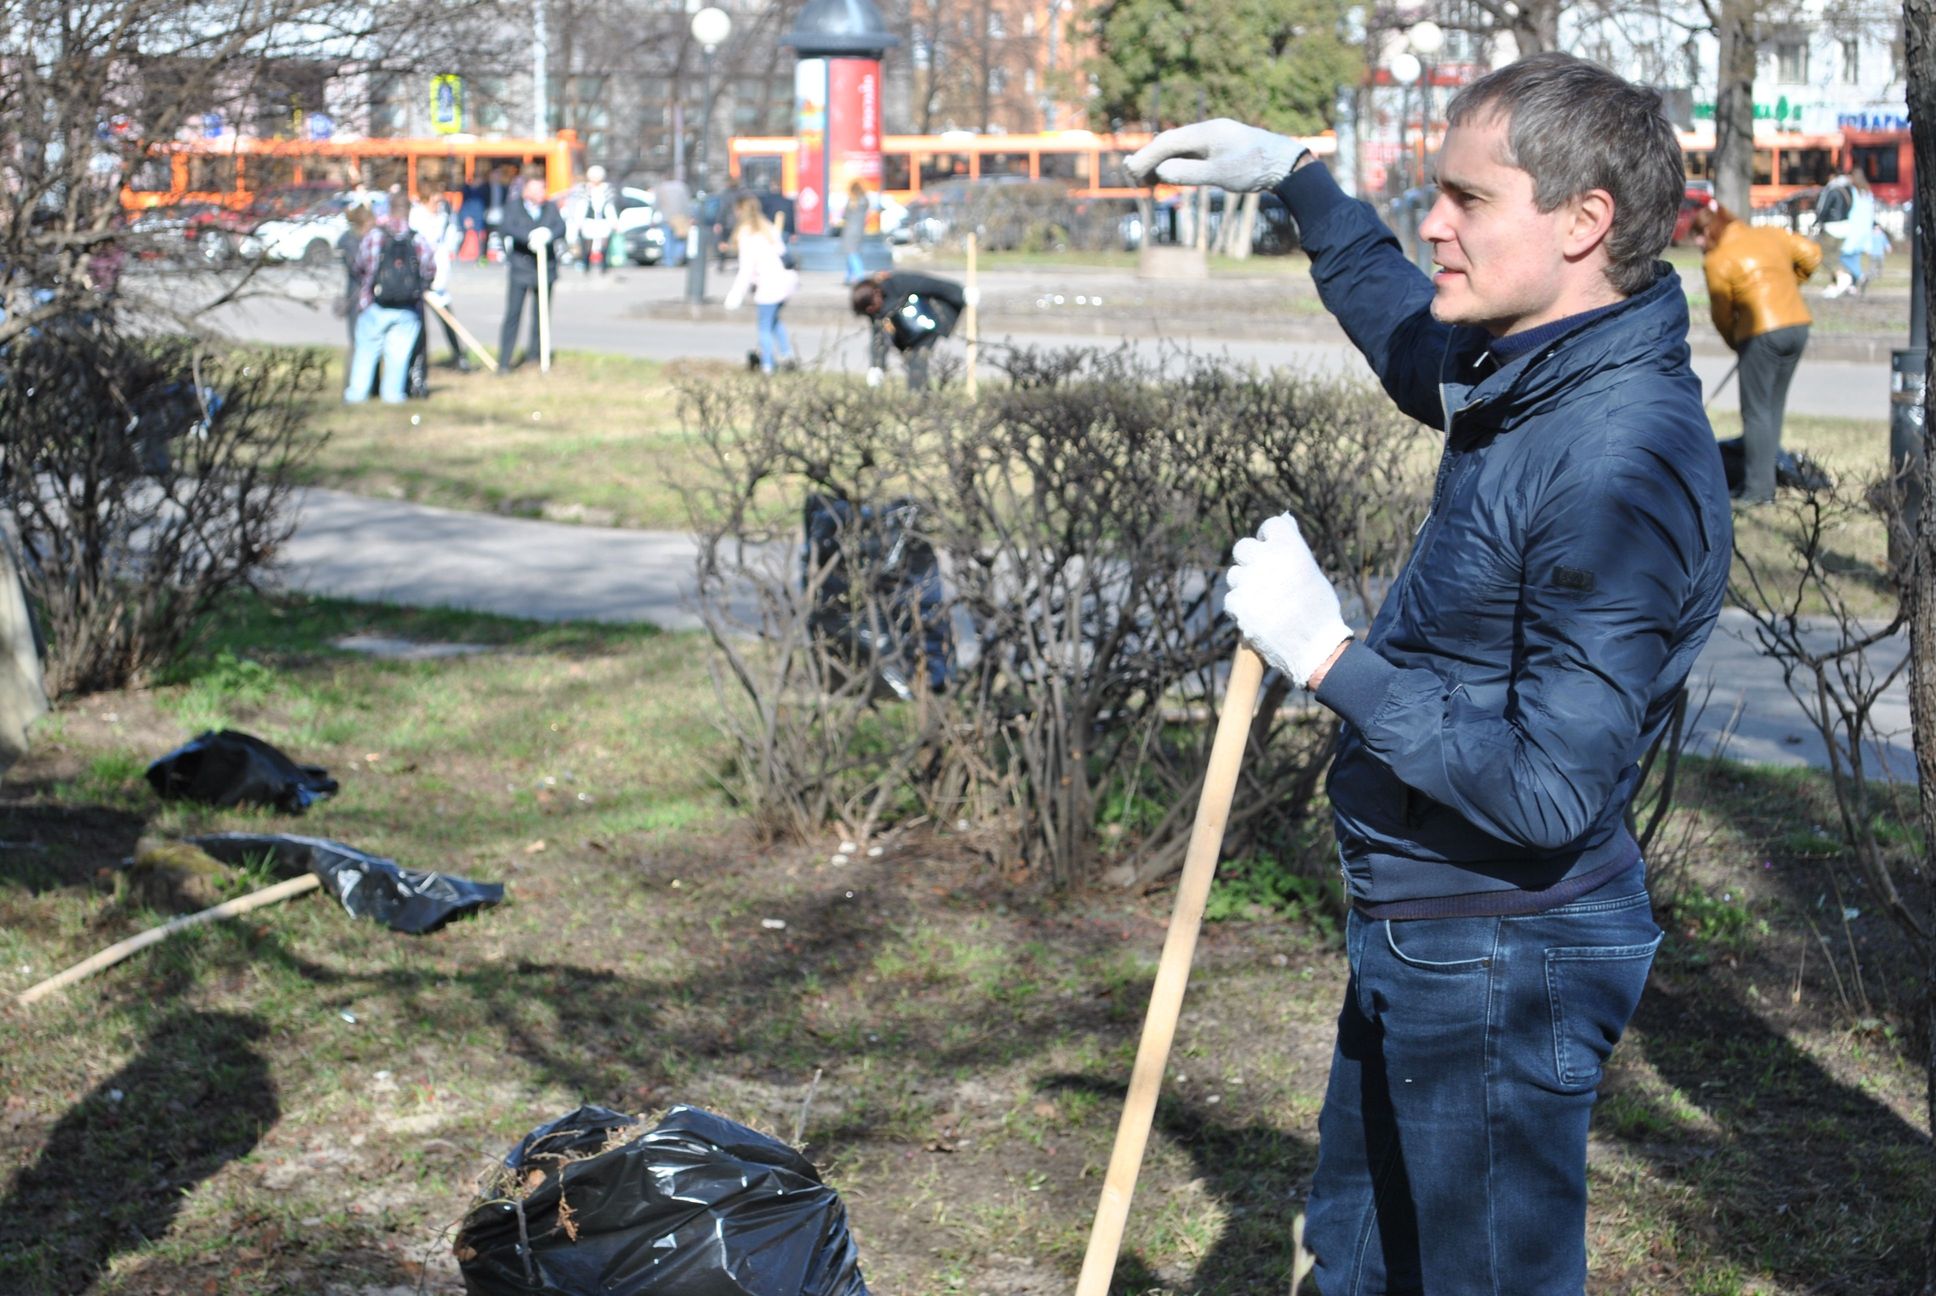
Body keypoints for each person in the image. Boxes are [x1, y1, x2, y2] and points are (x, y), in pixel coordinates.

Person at [1128, 52, 1732, 1296]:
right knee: (1356, 1265)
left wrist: (1329, 657)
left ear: (1582, 223)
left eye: (1466, 200)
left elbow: (1553, 789)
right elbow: (1410, 339)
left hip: (1507, 951)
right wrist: (1301, 182)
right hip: (1431, 919)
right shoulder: (1533, 362)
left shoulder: (1619, 458)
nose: (1434, 224)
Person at [1691, 201, 1818, 503]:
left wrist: (1737, 341)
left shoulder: (1717, 260)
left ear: (1709, 229)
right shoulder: (1770, 234)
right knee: (1773, 406)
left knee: (1756, 412)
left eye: (1696, 235)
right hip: (1797, 325)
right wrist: (1788, 284)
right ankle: (1769, 473)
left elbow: (1721, 314)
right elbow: (1812, 255)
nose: (1696, 243)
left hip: (1760, 333)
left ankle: (1759, 491)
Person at [344, 198, 436, 404]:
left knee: (366, 353)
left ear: (389, 211)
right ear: (408, 212)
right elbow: (430, 270)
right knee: (398, 357)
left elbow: (359, 266)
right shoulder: (418, 240)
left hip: (374, 304)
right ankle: (392, 397)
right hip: (407, 308)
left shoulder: (374, 237)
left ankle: (356, 397)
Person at [850, 270, 968, 390]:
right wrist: (876, 366)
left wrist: (960, 293)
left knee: (917, 362)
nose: (870, 312)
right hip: (908, 337)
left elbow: (933, 285)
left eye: (870, 308)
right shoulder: (875, 310)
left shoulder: (898, 283)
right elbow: (878, 336)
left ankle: (920, 400)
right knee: (914, 364)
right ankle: (921, 399)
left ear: (876, 293)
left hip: (930, 322)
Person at [721, 195, 799, 374]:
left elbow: (746, 270)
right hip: (786, 283)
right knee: (774, 321)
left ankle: (767, 366)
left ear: (740, 211)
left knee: (764, 326)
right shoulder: (768, 227)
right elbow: (782, 252)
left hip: (769, 286)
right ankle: (788, 355)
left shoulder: (747, 234)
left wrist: (735, 296)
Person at [497, 177, 566, 372]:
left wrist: (548, 234)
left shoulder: (550, 207)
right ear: (526, 192)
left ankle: (535, 356)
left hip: (546, 269)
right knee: (513, 315)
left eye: (543, 189)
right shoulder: (513, 207)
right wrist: (529, 236)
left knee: (541, 315)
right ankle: (504, 361)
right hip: (520, 269)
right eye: (537, 190)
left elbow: (561, 227)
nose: (541, 193)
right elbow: (507, 227)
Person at [334, 203, 376, 389]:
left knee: (372, 343)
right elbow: (358, 268)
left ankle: (372, 386)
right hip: (355, 298)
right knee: (356, 343)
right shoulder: (350, 241)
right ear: (363, 224)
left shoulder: (358, 239)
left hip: (364, 296)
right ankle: (351, 387)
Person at [1823, 166, 1876, 296]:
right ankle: (1852, 286)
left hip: (1854, 228)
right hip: (1865, 229)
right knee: (1855, 258)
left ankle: (1860, 276)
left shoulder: (1853, 191)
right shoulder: (1868, 192)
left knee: (1844, 256)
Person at [572, 165, 619, 274]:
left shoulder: (607, 189)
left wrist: (614, 222)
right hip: (589, 221)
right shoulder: (584, 189)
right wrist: (578, 221)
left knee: (604, 244)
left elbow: (609, 207)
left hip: (603, 221)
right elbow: (581, 206)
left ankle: (604, 266)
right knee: (587, 245)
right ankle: (586, 264)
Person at [655, 176, 692, 268]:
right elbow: (687, 203)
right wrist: (689, 216)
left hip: (666, 218)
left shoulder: (661, 188)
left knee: (667, 240)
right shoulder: (682, 187)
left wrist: (653, 215)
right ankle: (677, 258)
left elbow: (656, 203)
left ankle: (669, 261)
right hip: (680, 217)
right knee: (680, 239)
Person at [840, 180, 871, 284]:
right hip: (859, 231)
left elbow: (845, 216)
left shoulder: (852, 201)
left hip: (850, 231)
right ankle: (848, 277)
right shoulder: (865, 200)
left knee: (852, 254)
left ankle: (860, 276)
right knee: (852, 253)